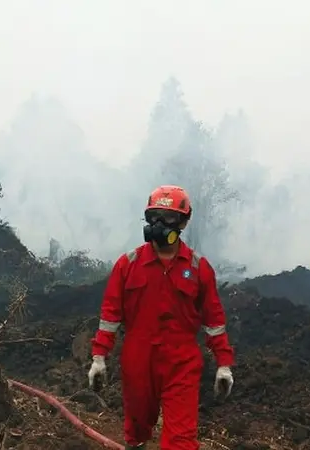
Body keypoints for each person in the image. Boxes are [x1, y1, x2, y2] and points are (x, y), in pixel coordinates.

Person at [88, 185, 235, 449]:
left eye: (167, 218)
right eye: (154, 216)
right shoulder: (128, 264)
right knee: (137, 429)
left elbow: (214, 320)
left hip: (182, 363)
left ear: (183, 222)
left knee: (181, 439)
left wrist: (224, 363)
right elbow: (110, 314)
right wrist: (99, 357)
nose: (159, 224)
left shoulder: (198, 268)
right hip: (138, 359)